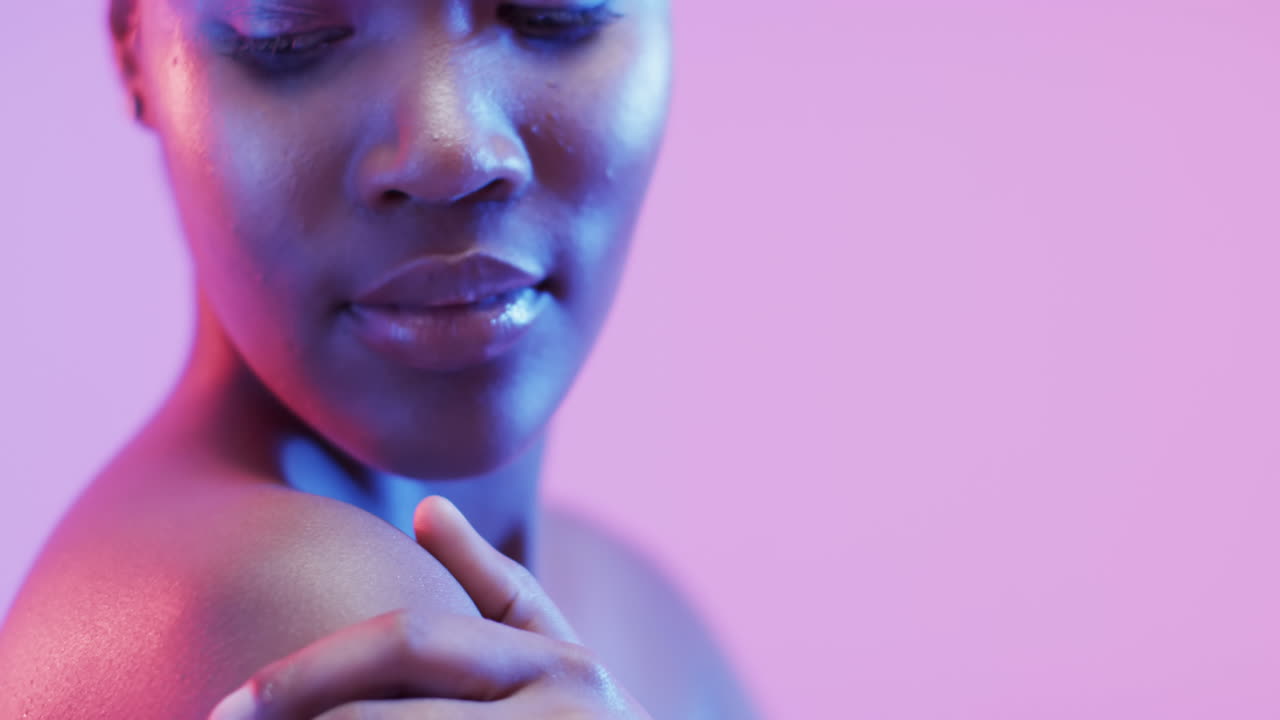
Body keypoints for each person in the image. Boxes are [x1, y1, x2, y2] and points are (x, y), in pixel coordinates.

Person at [0, 0, 761, 717]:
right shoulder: (297, 618)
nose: (450, 149)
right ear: (134, 55)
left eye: (557, 9)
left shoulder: (632, 606)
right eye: (291, 31)